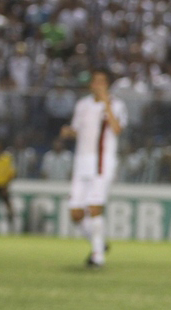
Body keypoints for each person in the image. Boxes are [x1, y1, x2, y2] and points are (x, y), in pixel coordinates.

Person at [60, 68, 127, 268]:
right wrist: (68, 132)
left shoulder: (117, 105)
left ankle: (98, 256)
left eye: (102, 82)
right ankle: (99, 243)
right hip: (82, 162)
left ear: (107, 85)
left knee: (95, 206)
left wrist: (106, 104)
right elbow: (78, 130)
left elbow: (117, 129)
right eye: (95, 81)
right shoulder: (82, 105)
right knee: (76, 213)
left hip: (102, 162)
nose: (98, 85)